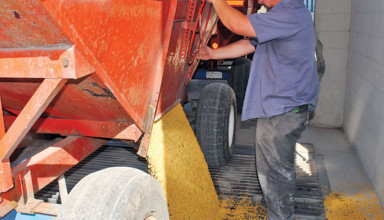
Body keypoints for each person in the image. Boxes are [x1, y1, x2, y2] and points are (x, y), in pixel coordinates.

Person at [197, 0, 319, 219]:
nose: (260, 1)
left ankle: (279, 213)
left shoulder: (288, 13)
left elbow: (239, 25)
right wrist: (212, 54)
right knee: (276, 163)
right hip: (286, 105)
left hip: (283, 108)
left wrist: (217, 1)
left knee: (276, 169)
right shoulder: (288, 13)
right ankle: (271, 199)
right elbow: (250, 43)